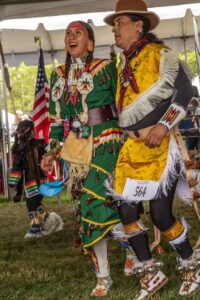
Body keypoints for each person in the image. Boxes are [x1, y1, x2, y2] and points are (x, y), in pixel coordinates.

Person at [104, 0, 200, 299]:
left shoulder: (161, 55)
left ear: (138, 26)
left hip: (160, 147)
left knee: (160, 214)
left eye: (120, 23)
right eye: (114, 24)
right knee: (126, 211)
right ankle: (149, 270)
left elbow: (186, 91)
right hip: (132, 148)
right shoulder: (125, 63)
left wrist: (162, 125)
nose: (114, 29)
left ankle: (190, 264)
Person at [41, 20, 128, 297]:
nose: (71, 36)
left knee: (95, 197)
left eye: (77, 32)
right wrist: (51, 152)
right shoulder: (58, 74)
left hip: (107, 138)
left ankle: (134, 252)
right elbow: (56, 121)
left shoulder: (106, 67)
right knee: (86, 208)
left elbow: (125, 104)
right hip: (77, 147)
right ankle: (106, 273)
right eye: (68, 33)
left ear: (89, 43)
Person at [8, 120, 63, 238]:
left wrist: (13, 184)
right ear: (32, 131)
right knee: (35, 203)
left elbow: (17, 169)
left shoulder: (20, 148)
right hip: (41, 180)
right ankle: (51, 220)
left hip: (30, 182)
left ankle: (36, 228)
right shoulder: (40, 144)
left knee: (32, 204)